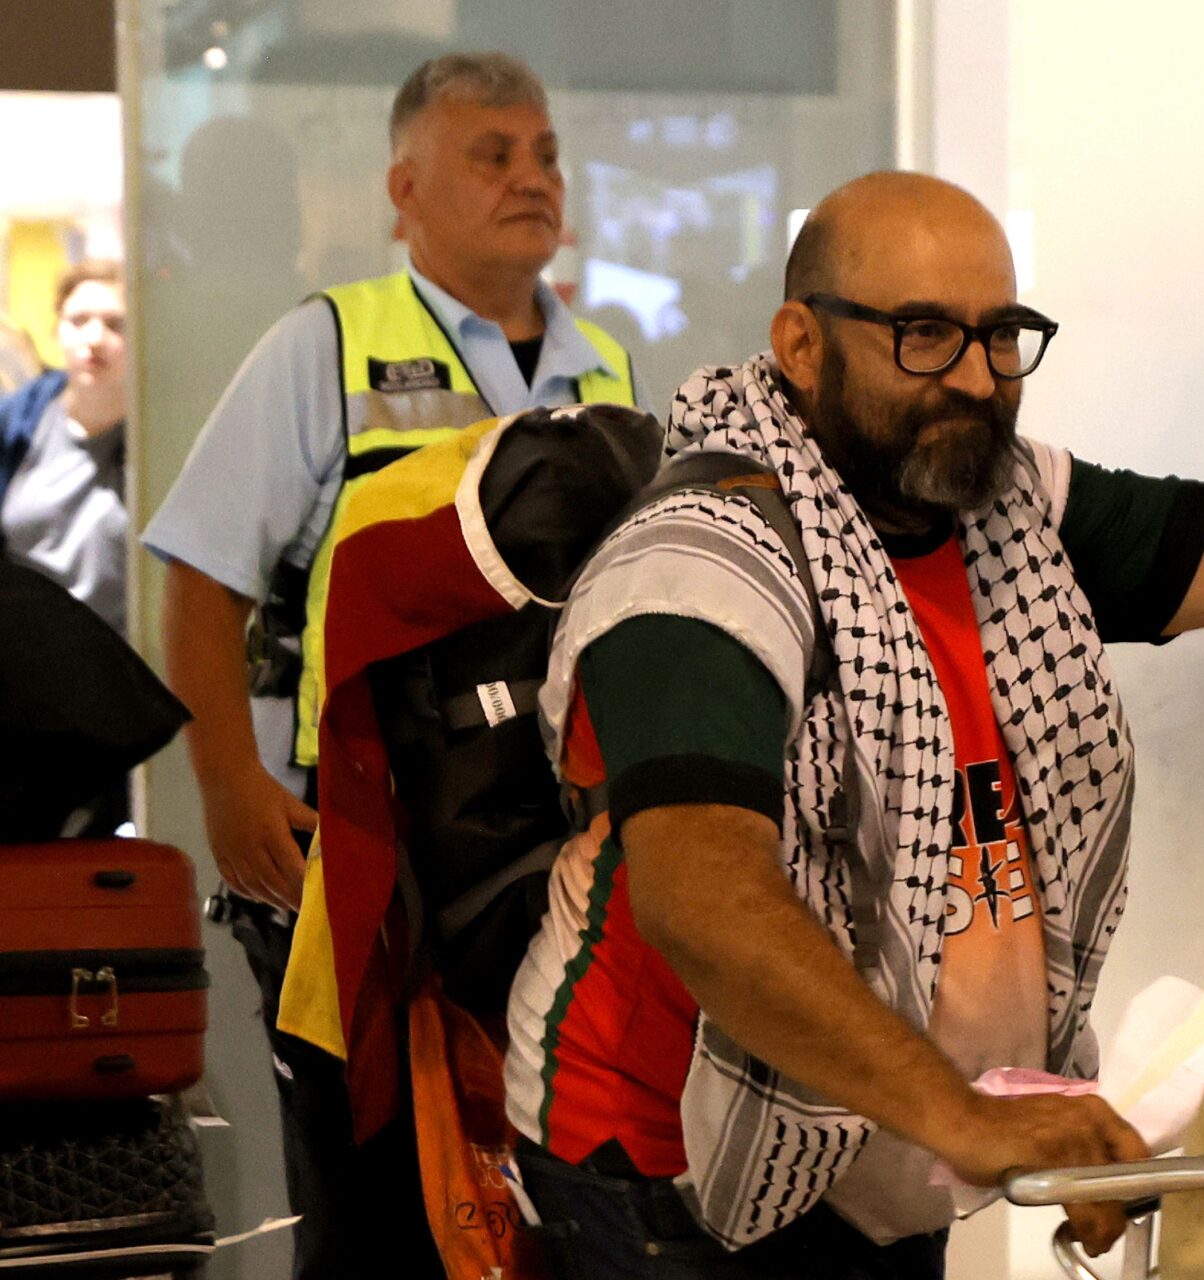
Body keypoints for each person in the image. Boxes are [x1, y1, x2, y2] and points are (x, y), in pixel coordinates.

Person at [504, 161, 1204, 1278]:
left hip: (891, 1142)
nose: (978, 379)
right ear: (802, 344)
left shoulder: (1007, 508)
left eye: (1001, 336)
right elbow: (703, 901)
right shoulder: (699, 565)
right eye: (926, 334)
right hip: (669, 1167)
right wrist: (963, 1115)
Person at [142, 51, 639, 1278]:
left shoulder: (608, 370)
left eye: (545, 154)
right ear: (405, 189)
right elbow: (199, 577)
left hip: (544, 847)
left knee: (550, 1195)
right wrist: (228, 787)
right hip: (356, 849)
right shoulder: (325, 345)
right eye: (493, 154)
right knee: (369, 1199)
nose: (532, 177)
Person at [0, 261, 132, 835]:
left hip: (120, 698)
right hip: (23, 696)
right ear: (56, 329)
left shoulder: (158, 438)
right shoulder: (17, 426)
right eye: (79, 320)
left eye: (114, 323)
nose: (94, 337)